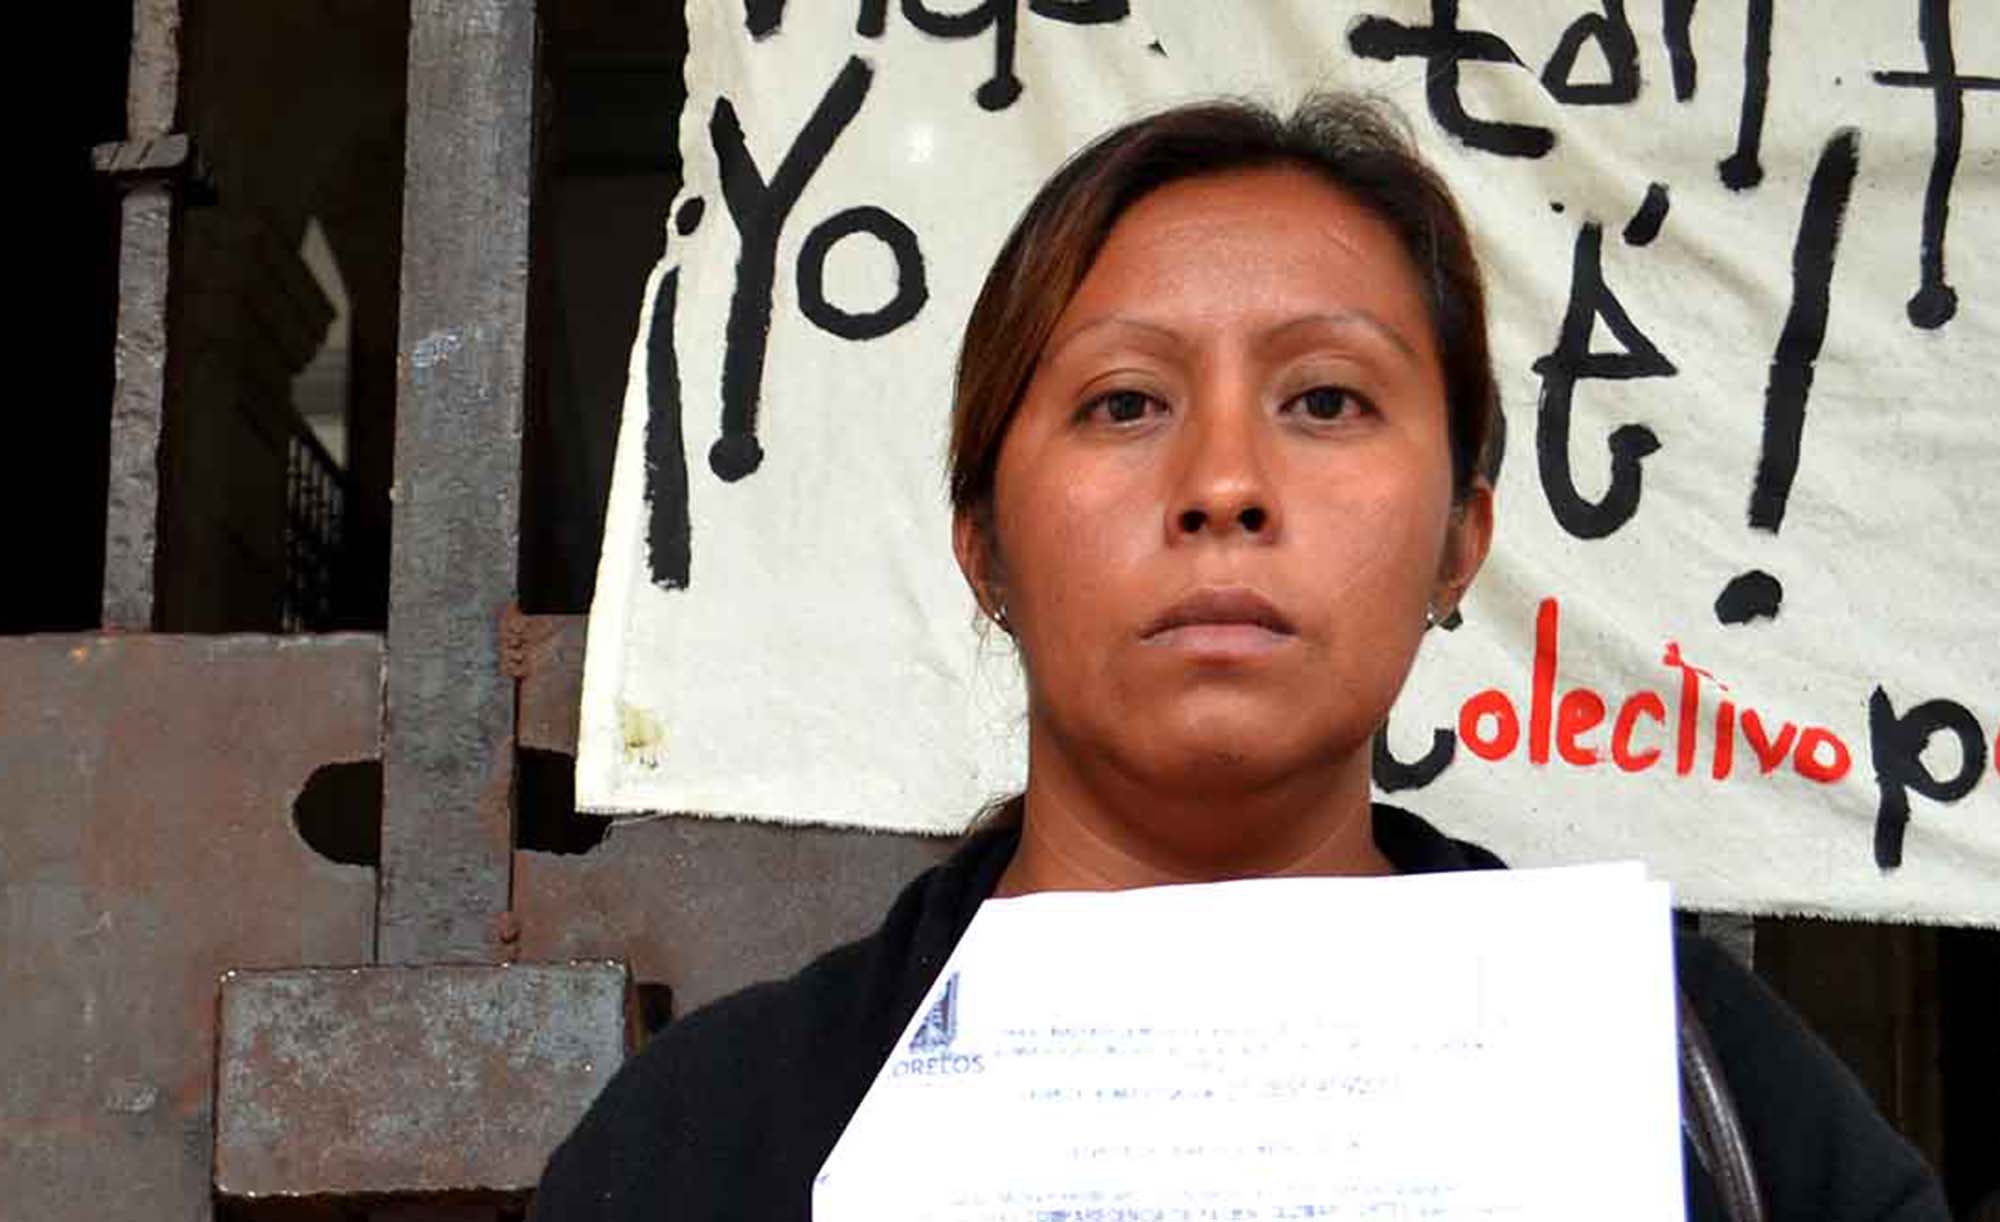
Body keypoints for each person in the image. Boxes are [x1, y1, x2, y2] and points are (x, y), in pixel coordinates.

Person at [530, 95, 1947, 1221]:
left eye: (1325, 399)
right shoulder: (701, 1147)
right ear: (985, 547)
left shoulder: (1698, 1090)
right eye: (1124, 402)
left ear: (1459, 542)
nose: (1223, 483)